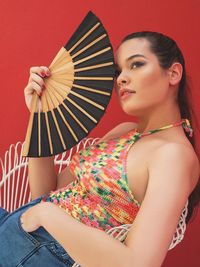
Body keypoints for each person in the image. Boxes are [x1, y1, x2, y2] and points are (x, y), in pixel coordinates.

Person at [0, 31, 200, 267]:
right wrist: (40, 116)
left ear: (174, 73)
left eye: (136, 64)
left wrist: (47, 214)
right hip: (20, 229)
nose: (121, 79)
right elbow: (46, 193)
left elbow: (137, 263)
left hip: (38, 252)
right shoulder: (124, 131)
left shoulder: (173, 156)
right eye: (118, 71)